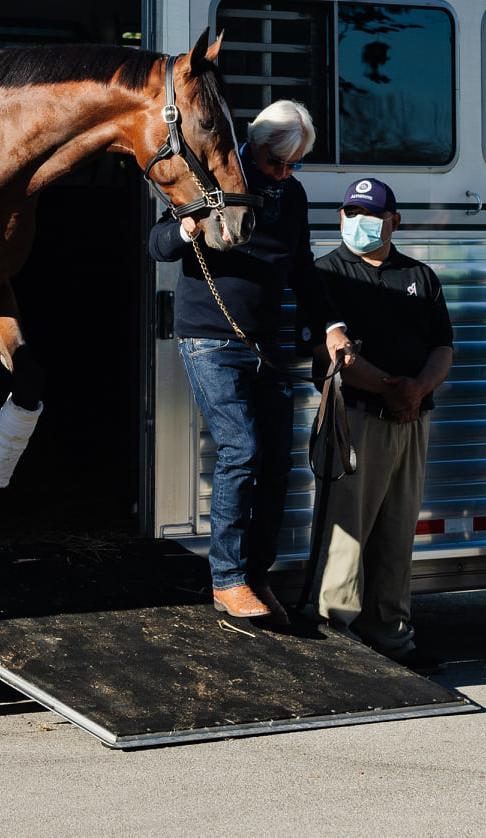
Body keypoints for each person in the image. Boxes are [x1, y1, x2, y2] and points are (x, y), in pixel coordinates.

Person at [150, 99, 351, 624]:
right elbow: (157, 244)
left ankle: (257, 575)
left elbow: (302, 267)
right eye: (274, 163)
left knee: (278, 462)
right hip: (211, 339)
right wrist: (188, 228)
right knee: (242, 449)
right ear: (253, 146)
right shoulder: (212, 175)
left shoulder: (293, 195)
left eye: (293, 166)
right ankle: (227, 580)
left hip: (268, 343)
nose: (282, 175)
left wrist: (331, 326)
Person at [310, 176, 454, 673]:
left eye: (370, 214)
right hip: (353, 419)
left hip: (412, 419)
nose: (359, 221)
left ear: (395, 220)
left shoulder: (420, 276)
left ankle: (392, 637)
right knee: (344, 530)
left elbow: (443, 347)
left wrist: (417, 390)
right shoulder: (325, 273)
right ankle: (336, 637)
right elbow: (328, 349)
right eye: (351, 211)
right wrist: (391, 389)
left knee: (397, 533)